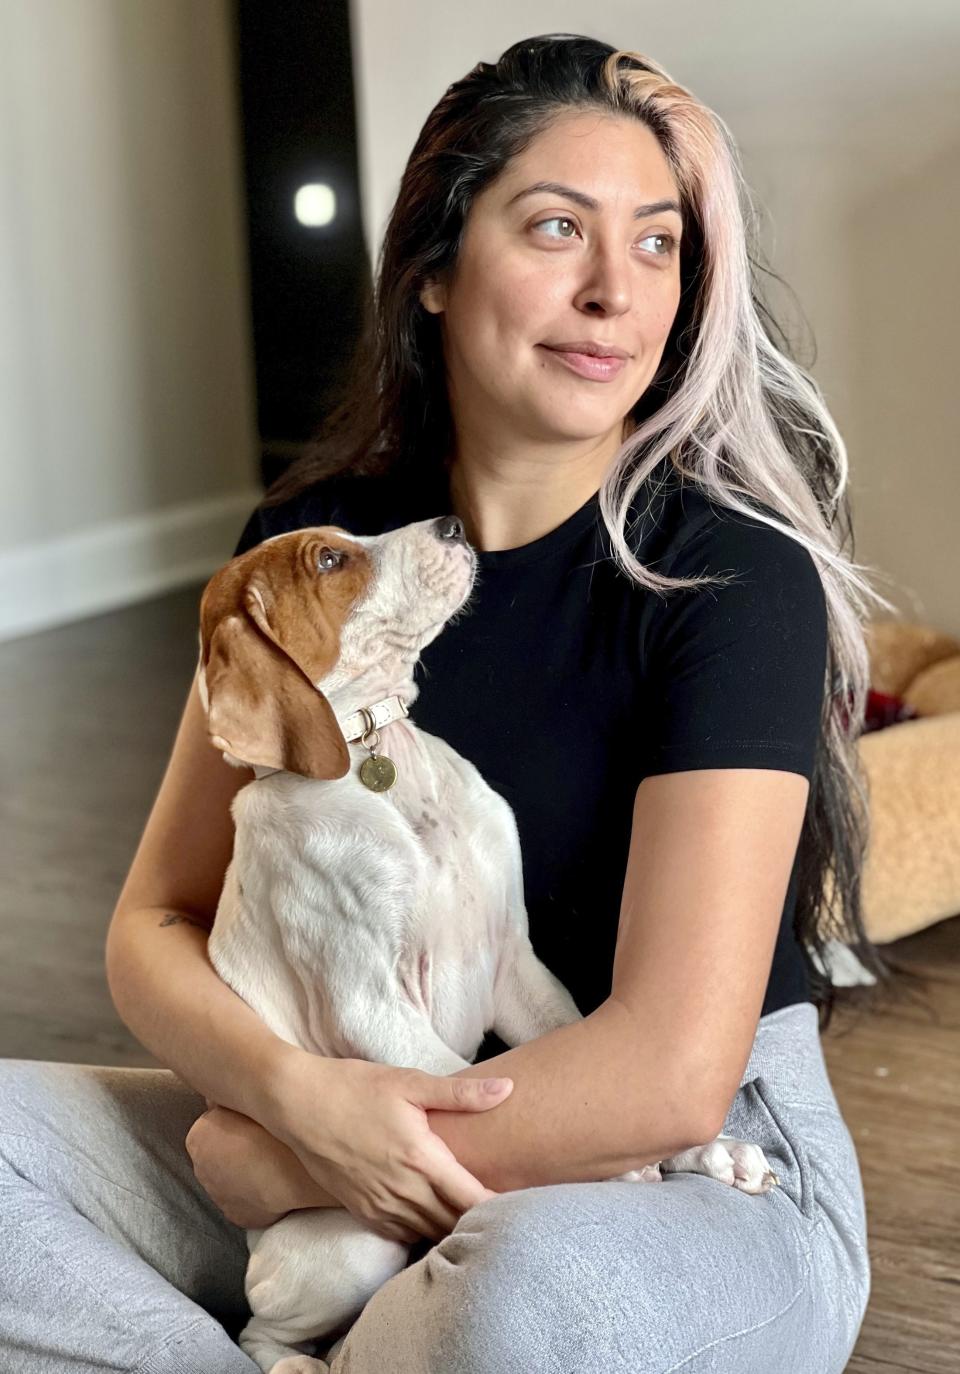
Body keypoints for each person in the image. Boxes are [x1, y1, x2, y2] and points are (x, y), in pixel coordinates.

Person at [0, 33, 915, 1374]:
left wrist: (286, 1167)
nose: (616, 290)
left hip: (701, 1170)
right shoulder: (306, 549)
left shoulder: (729, 574)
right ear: (432, 268)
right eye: (558, 228)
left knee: (510, 1305)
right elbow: (154, 922)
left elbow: (669, 1067)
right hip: (328, 1130)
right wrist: (291, 1112)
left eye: (659, 244)